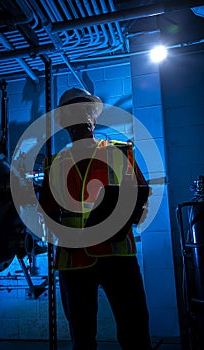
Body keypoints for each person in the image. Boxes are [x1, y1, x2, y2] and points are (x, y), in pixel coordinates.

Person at [39, 87, 152, 350]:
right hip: (73, 259)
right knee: (82, 335)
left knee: (134, 328)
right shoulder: (54, 164)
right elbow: (45, 213)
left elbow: (142, 194)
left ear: (94, 116)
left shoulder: (120, 152)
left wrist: (133, 213)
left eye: (85, 110)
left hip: (117, 253)